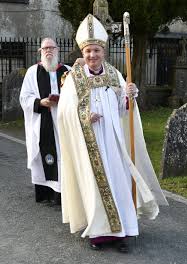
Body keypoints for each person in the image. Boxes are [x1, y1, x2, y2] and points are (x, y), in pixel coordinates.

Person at [57, 14, 168, 252]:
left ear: (103, 51)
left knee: (118, 183)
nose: (92, 56)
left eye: (96, 50)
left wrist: (129, 96)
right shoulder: (73, 79)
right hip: (89, 142)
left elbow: (123, 109)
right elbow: (64, 113)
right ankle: (99, 235)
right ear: (83, 53)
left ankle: (122, 233)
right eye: (88, 52)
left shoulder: (114, 74)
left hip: (113, 140)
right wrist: (84, 117)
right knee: (95, 186)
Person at [20, 37, 71, 205]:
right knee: (46, 155)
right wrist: (40, 102)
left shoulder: (68, 71)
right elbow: (24, 97)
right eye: (45, 48)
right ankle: (46, 194)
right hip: (43, 120)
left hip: (65, 121)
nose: (48, 50)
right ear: (40, 52)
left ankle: (65, 195)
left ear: (58, 50)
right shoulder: (32, 72)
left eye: (52, 47)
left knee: (65, 155)